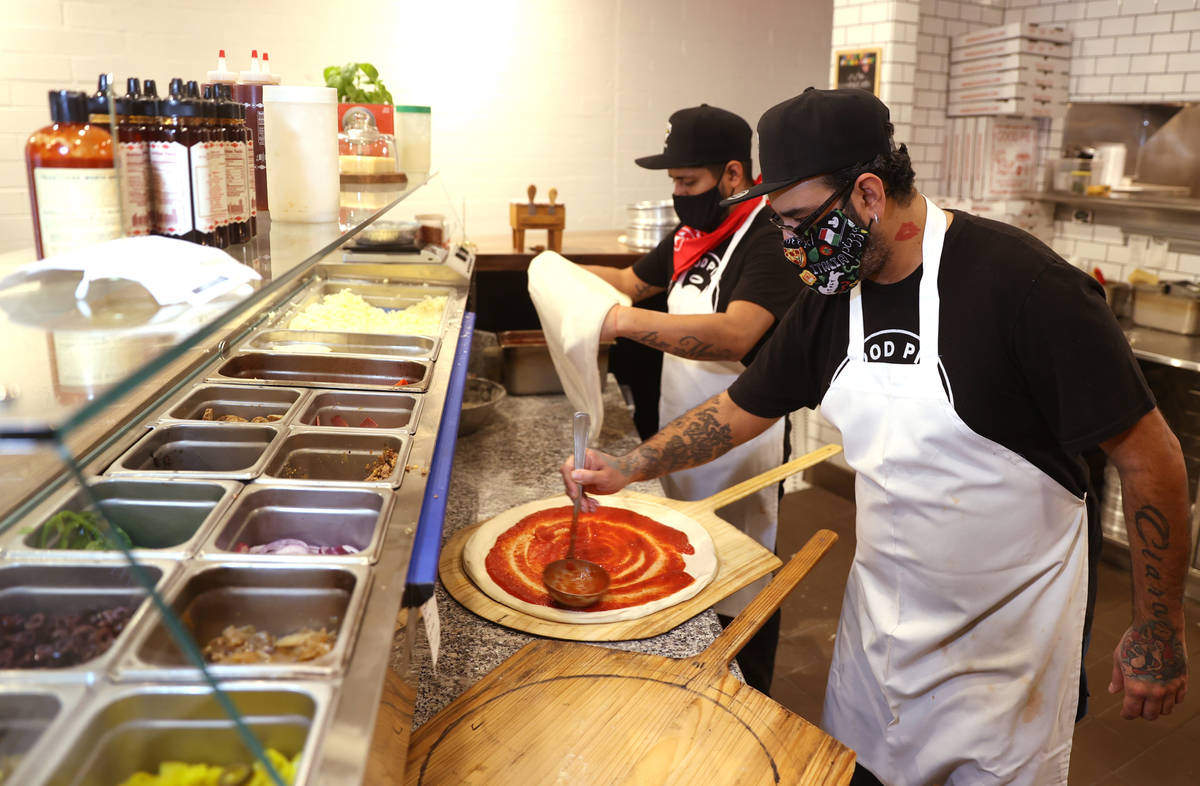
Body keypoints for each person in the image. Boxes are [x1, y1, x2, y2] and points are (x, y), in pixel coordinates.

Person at [562, 88, 1190, 786]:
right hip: (880, 640)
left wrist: (1158, 629)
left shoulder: (1027, 288)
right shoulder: (831, 302)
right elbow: (743, 408)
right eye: (780, 224)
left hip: (1008, 658)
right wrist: (629, 466)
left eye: (800, 221)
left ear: (867, 194)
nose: (792, 246)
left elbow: (1151, 457)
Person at [575, 103, 802, 694]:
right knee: (686, 565)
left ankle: (747, 697)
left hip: (744, 438)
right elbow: (630, 283)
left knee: (739, 577)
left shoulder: (771, 235)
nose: (678, 193)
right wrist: (551, 271)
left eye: (688, 181)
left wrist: (624, 323)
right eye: (673, 182)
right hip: (683, 430)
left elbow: (738, 332)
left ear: (732, 175)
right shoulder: (693, 235)